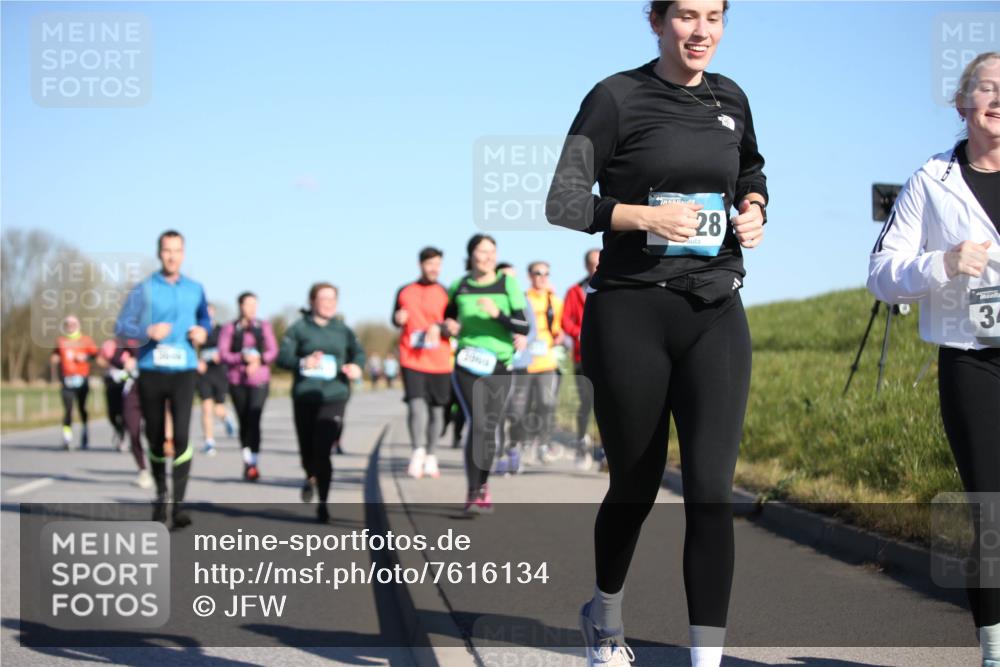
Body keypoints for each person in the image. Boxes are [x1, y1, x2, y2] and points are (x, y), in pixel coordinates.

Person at [546, 2, 768, 665]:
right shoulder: (615, 97)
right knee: (636, 484)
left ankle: (707, 659)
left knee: (708, 489)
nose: (701, 31)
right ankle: (605, 614)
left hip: (715, 310)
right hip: (632, 312)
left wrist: (755, 209)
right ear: (657, 21)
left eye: (714, 17)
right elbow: (563, 200)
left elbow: (751, 170)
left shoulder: (732, 98)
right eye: (686, 16)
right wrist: (644, 215)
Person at [868, 52, 1000, 667]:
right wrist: (943, 263)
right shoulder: (931, 181)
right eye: (985, 87)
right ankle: (994, 650)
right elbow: (881, 276)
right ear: (961, 103)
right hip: (973, 360)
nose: (997, 98)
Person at [116, 230, 211, 528]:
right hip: (152, 370)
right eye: (167, 250)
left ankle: (178, 506)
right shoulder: (143, 289)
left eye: (177, 250)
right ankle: (161, 497)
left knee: (181, 436)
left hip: (184, 370)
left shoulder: (195, 289)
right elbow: (122, 326)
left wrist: (203, 332)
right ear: (159, 253)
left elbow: (205, 319)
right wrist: (146, 332)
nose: (172, 256)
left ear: (184, 254)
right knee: (155, 438)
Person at [442, 234, 530, 513]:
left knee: (489, 426)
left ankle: (483, 484)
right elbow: (448, 319)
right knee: (479, 422)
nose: (489, 256)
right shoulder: (460, 285)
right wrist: (448, 328)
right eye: (483, 251)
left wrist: (497, 315)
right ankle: (474, 490)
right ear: (471, 255)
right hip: (467, 363)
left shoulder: (508, 284)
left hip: (499, 365)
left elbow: (522, 326)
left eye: (492, 251)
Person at [277, 283, 364, 523]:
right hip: (305, 395)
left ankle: (323, 504)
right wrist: (304, 362)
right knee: (307, 450)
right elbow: (283, 358)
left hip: (334, 396)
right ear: (312, 301)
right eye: (323, 298)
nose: (328, 303)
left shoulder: (343, 330)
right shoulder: (299, 328)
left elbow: (358, 353)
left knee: (323, 450)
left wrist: (357, 367)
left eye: (332, 299)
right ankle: (309, 475)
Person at [392, 246, 453, 479]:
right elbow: (395, 318)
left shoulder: (447, 293)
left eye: (438, 264)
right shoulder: (404, 291)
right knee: (416, 406)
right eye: (430, 264)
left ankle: (431, 454)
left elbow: (453, 326)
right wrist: (398, 319)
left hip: (439, 360)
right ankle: (417, 451)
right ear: (421, 265)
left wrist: (441, 328)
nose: (434, 268)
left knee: (437, 412)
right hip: (412, 358)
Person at [218, 292, 279, 482]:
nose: (252, 308)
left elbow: (273, 350)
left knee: (254, 418)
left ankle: (254, 462)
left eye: (255, 304)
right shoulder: (230, 328)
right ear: (240, 306)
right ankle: (247, 459)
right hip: (237, 380)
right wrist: (241, 358)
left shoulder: (264, 326)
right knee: (243, 421)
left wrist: (259, 360)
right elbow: (223, 353)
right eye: (248, 304)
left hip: (259, 380)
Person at [510, 261, 565, 466]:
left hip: (547, 362)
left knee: (546, 403)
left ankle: (542, 444)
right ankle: (519, 444)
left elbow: (560, 328)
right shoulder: (522, 300)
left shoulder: (555, 301)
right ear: (529, 276)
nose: (543, 277)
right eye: (538, 273)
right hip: (525, 362)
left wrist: (560, 337)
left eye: (546, 273)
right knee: (520, 408)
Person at [562, 249, 603, 470]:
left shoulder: (613, 285)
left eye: (599, 262)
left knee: (609, 404)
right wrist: (579, 331)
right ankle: (582, 445)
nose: (596, 267)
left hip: (610, 354)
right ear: (586, 266)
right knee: (585, 404)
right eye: (592, 264)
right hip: (582, 355)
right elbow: (565, 320)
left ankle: (607, 451)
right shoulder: (574, 291)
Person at [50, 316, 98, 450]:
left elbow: (96, 354)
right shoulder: (61, 341)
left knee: (82, 408)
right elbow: (55, 355)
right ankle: (67, 437)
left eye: (73, 323)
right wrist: (54, 364)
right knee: (68, 410)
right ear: (65, 326)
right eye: (68, 324)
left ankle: (84, 433)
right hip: (66, 380)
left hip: (82, 379)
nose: (70, 326)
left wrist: (85, 357)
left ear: (78, 325)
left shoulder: (86, 340)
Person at [196, 304, 236, 456]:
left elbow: (230, 348)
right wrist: (196, 361)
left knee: (218, 408)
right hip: (203, 373)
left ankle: (226, 418)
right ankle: (209, 442)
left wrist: (221, 355)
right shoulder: (197, 330)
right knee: (206, 406)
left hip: (219, 372)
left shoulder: (221, 330)